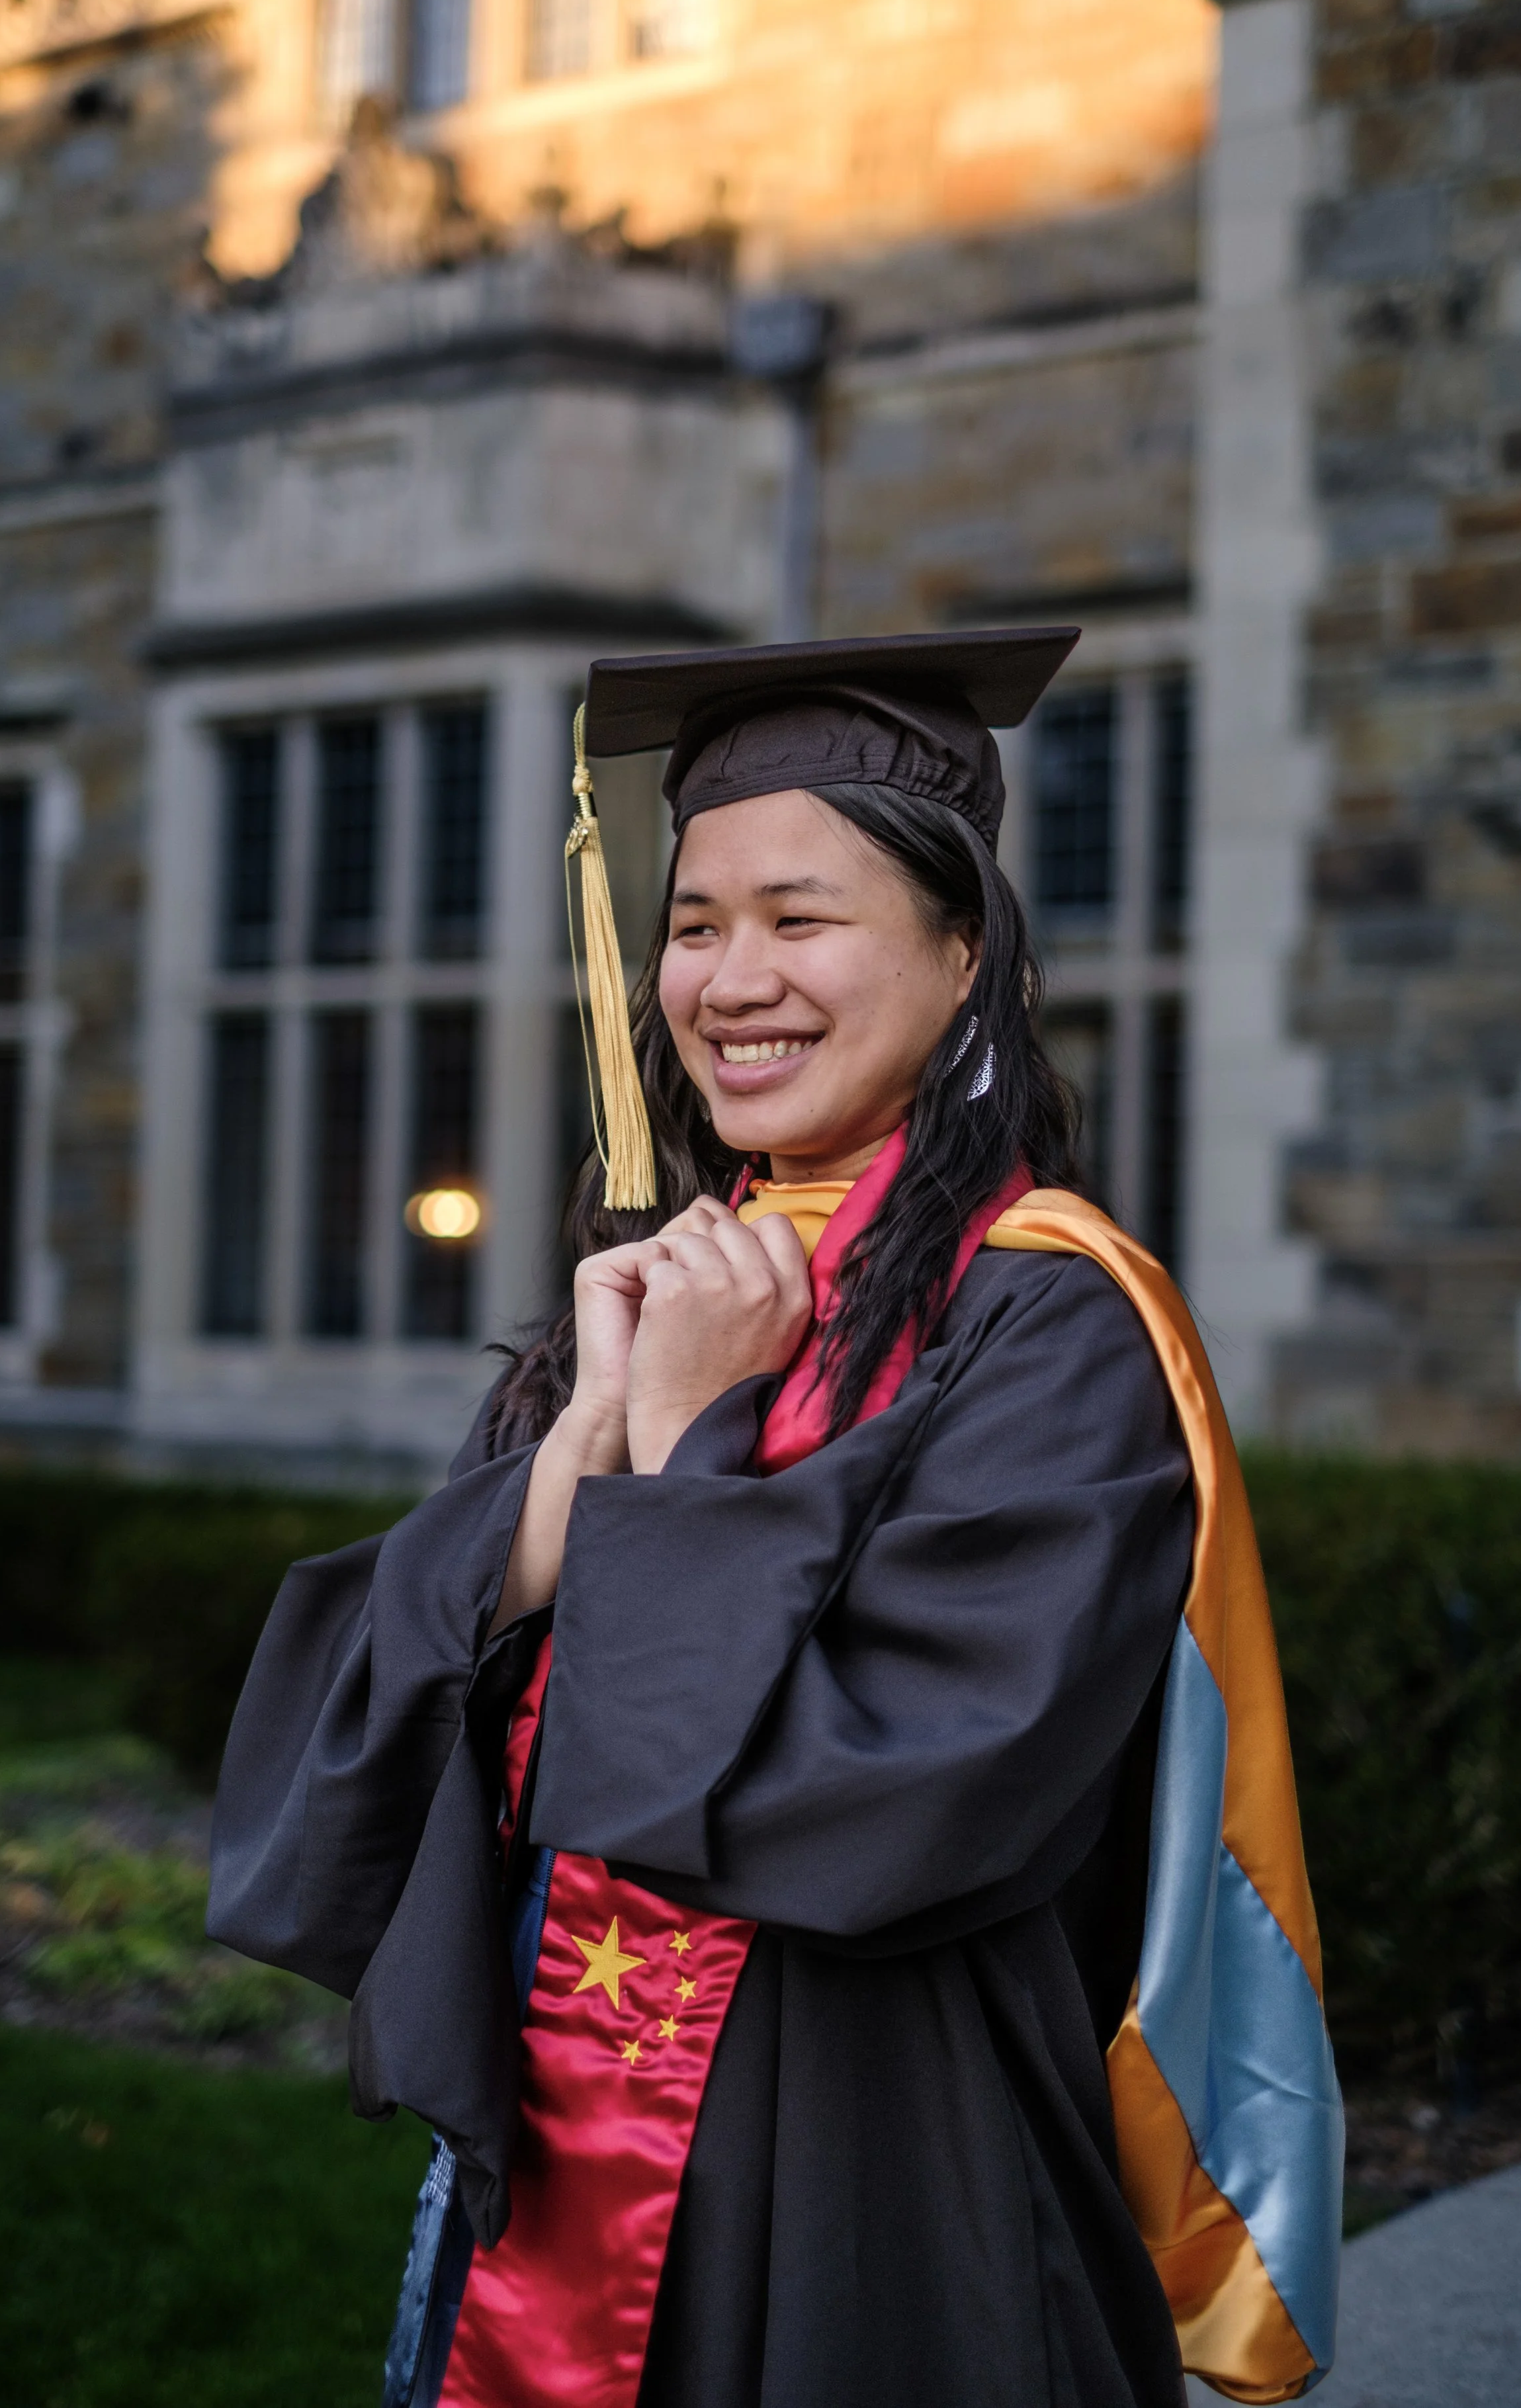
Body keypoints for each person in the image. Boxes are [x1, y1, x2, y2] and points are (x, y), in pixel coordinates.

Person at [208, 630, 1342, 2408]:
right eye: (693, 921)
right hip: (552, 2167)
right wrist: (591, 1429)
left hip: (881, 2161)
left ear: (964, 954)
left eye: (800, 916)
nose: (731, 978)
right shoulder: (675, 1280)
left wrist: (680, 1454)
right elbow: (384, 1705)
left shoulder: (1050, 1319)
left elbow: (906, 1800)